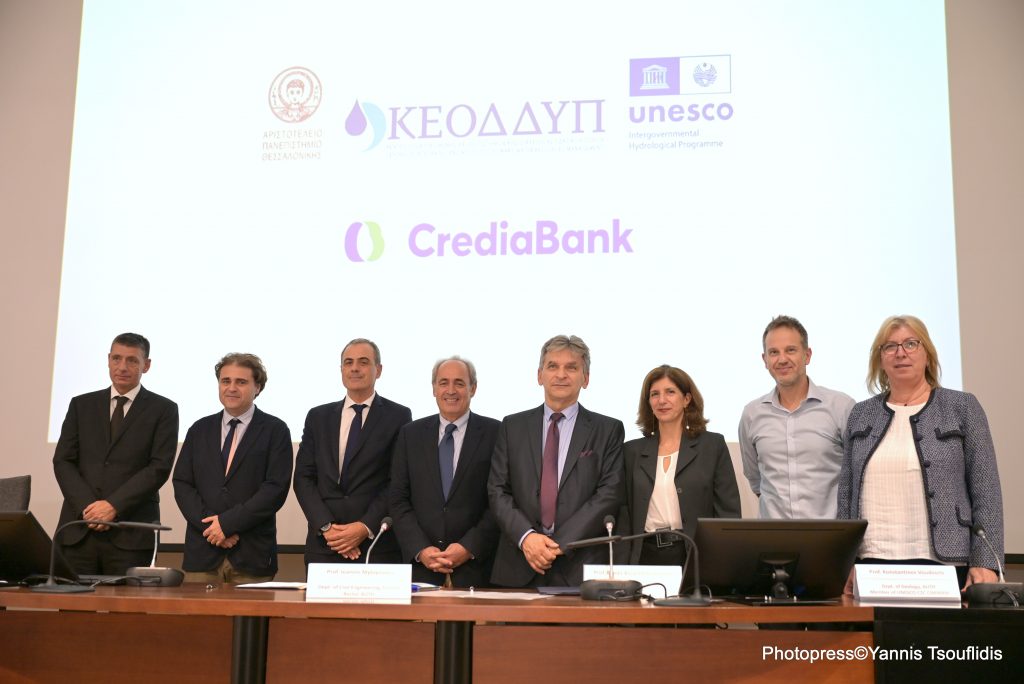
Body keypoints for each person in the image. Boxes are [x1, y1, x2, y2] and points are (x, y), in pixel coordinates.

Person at [839, 315, 1004, 591]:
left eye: (911, 344)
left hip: (947, 566)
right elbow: (845, 496)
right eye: (890, 346)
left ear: (928, 355)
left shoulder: (962, 407)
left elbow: (986, 491)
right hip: (871, 565)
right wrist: (842, 562)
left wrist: (986, 561)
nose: (900, 353)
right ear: (880, 360)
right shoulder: (860, 414)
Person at [488, 335, 625, 587]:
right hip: (519, 564)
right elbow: (497, 491)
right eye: (552, 366)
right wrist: (528, 538)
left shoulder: (608, 430)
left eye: (571, 367)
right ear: (539, 375)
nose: (561, 374)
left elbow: (609, 494)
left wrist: (559, 544)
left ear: (586, 379)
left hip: (579, 567)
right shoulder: (512, 426)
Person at [52, 333, 179, 575]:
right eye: (117, 358)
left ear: (146, 365)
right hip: (79, 531)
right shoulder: (81, 404)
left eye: (132, 360)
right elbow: (63, 460)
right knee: (70, 599)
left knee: (126, 601)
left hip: (130, 535)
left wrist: (113, 506)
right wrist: (89, 508)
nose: (122, 367)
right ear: (108, 360)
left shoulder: (164, 409)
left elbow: (159, 467)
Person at [172, 353, 292, 584]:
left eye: (241, 382)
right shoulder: (199, 429)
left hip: (252, 553)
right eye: (225, 381)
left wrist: (227, 525)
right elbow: (183, 484)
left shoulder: (275, 430)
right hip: (203, 550)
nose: (232, 388)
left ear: (258, 387)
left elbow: (275, 489)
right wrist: (213, 528)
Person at [293, 338, 412, 566]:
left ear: (378, 370)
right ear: (341, 370)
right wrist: (327, 527)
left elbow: (397, 481)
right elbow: (303, 478)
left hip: (376, 545)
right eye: (348, 362)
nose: (355, 368)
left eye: (363, 362)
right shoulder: (318, 417)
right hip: (325, 544)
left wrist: (364, 527)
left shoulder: (398, 416)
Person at [389, 356, 500, 587]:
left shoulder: (496, 433)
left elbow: (499, 499)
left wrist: (469, 547)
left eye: (459, 383)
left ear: (473, 388)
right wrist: (420, 548)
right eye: (443, 383)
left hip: (477, 569)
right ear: (434, 389)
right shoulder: (410, 434)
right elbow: (398, 499)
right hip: (421, 569)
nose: (451, 390)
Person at [623, 365, 740, 570]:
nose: (662, 400)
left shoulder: (712, 446)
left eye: (670, 392)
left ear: (686, 399)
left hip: (695, 554)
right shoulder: (631, 451)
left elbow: (728, 512)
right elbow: (624, 515)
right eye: (654, 394)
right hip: (644, 555)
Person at [738, 315, 854, 518]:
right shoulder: (751, 414)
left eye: (791, 350)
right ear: (765, 360)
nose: (782, 359)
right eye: (774, 352)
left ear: (807, 355)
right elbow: (756, 480)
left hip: (830, 535)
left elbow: (856, 475)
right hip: (774, 536)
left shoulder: (841, 407)